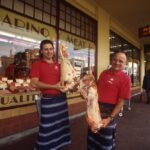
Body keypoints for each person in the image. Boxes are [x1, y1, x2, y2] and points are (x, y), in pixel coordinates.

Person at [30, 39, 71, 150]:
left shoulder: (59, 64)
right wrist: (54, 87)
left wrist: (69, 85)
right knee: (46, 128)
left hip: (61, 100)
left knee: (60, 126)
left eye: (51, 49)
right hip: (48, 101)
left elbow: (65, 81)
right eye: (46, 49)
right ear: (42, 51)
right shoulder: (37, 64)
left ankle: (57, 147)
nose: (49, 51)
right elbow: (34, 82)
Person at [87, 51, 131, 150]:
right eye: (115, 59)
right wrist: (86, 92)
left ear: (125, 63)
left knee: (105, 142)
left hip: (110, 112)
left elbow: (121, 102)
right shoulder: (104, 73)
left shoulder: (125, 79)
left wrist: (110, 118)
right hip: (95, 109)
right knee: (92, 138)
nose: (117, 62)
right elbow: (95, 91)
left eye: (121, 61)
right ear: (111, 60)